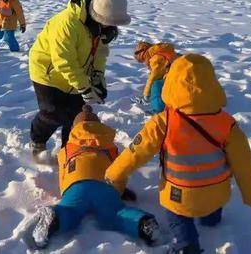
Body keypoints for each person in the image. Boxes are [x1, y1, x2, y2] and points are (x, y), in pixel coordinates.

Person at [105, 54, 251, 254]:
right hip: (217, 193)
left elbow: (134, 154)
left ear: (171, 83)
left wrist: (113, 174)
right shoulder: (227, 124)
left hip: (179, 195)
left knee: (177, 218)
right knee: (211, 206)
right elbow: (244, 164)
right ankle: (211, 219)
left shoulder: (163, 122)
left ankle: (186, 246)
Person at [28, 105, 160, 249]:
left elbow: (63, 175)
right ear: (99, 126)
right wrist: (119, 191)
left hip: (76, 185)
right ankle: (142, 223)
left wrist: (66, 192)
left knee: (70, 211)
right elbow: (120, 169)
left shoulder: (66, 150)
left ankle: (55, 216)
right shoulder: (111, 148)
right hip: (105, 185)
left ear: (74, 129)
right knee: (116, 213)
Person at [28, 0, 130, 155]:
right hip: (48, 71)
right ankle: (37, 140)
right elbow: (64, 61)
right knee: (53, 113)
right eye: (109, 22)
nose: (111, 26)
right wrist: (84, 88)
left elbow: (100, 54)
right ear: (97, 14)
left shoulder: (102, 28)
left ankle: (70, 148)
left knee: (76, 114)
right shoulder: (67, 23)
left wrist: (97, 78)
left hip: (78, 71)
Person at [134, 41, 179, 114]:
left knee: (156, 85)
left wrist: (146, 95)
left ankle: (158, 110)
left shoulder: (156, 57)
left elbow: (154, 77)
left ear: (143, 54)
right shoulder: (162, 52)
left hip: (178, 77)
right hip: (181, 76)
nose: (145, 63)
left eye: (143, 60)